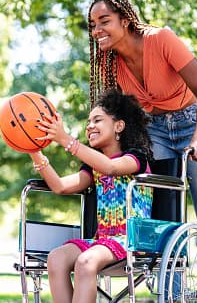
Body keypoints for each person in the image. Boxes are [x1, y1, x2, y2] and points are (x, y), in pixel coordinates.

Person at [87, 0, 197, 302]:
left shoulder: (161, 40)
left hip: (193, 121)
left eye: (104, 21)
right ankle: (171, 296)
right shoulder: (111, 64)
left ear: (126, 21)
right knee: (165, 216)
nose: (97, 30)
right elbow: (118, 118)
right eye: (93, 24)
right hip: (154, 129)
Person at [29, 90, 153, 302]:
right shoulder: (92, 167)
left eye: (97, 120)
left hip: (132, 240)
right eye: (88, 122)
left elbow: (111, 168)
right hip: (102, 241)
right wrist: (33, 148)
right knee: (56, 258)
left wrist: (66, 140)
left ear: (118, 126)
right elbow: (60, 187)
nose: (89, 126)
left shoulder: (135, 158)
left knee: (86, 262)